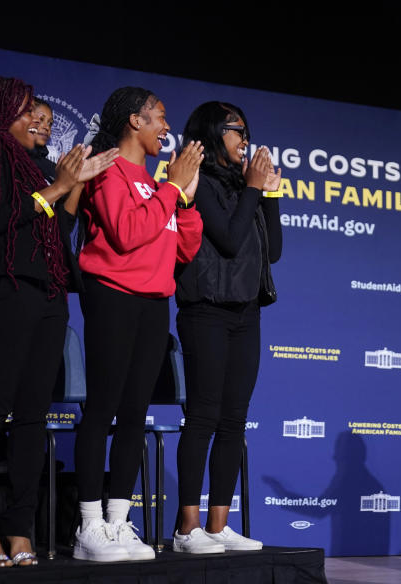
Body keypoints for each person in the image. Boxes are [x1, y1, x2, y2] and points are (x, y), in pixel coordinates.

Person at [0, 76, 117, 568]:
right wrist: (59, 186)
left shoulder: (36, 166)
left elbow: (55, 229)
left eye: (37, 111)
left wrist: (73, 185)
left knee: (35, 416)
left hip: (47, 294)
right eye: (24, 111)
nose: (36, 118)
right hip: (2, 288)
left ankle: (20, 527)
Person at [72, 87, 203, 562]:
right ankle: (88, 526)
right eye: (160, 118)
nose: (167, 129)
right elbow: (126, 235)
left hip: (153, 304)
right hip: (113, 297)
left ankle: (118, 521)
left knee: (134, 416)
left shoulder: (156, 184)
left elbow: (184, 250)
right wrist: (171, 189)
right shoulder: (108, 170)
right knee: (103, 407)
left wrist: (183, 200)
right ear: (134, 121)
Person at [172, 101, 282, 553]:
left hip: (246, 312)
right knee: (203, 417)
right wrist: (254, 189)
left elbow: (271, 250)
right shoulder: (201, 184)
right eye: (236, 130)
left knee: (234, 419)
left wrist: (269, 193)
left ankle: (218, 526)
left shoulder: (245, 185)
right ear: (214, 134)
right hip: (206, 310)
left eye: (246, 130)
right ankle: (186, 529)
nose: (245, 139)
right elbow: (230, 240)